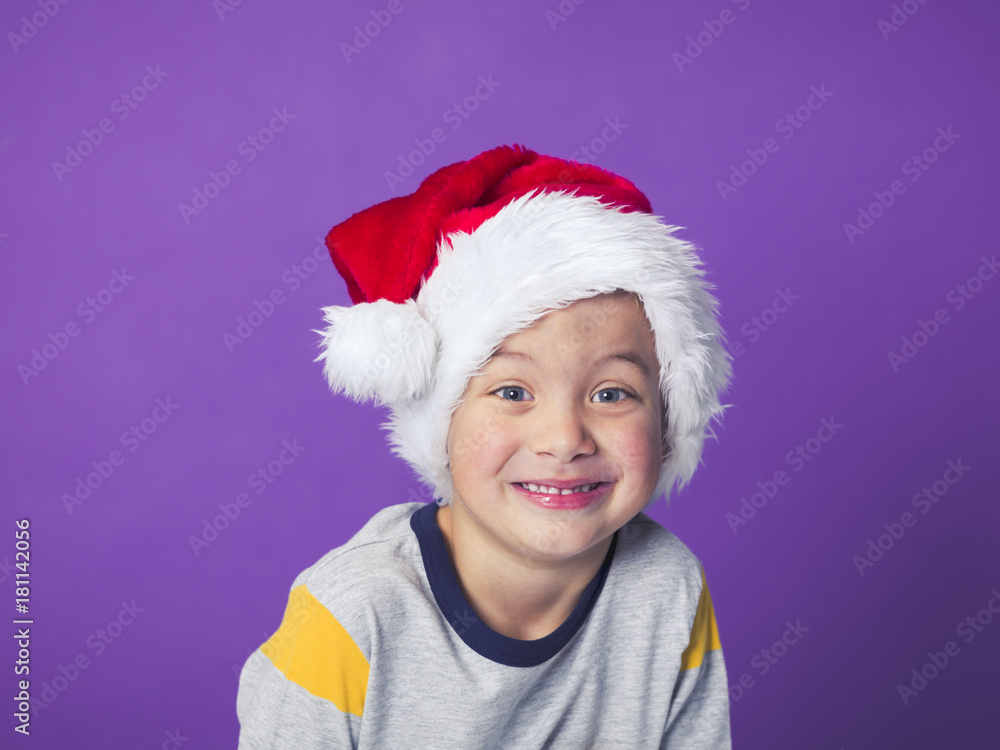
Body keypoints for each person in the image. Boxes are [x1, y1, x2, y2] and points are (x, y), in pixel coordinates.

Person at [236, 144, 734, 748]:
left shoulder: (668, 589)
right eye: (512, 390)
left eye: (611, 394)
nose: (564, 439)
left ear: (668, 420)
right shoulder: (351, 617)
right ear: (441, 422)